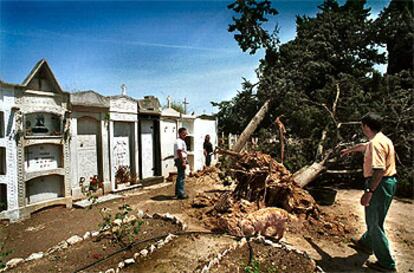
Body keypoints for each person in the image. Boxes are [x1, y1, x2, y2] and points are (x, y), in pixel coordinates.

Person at [341, 112, 397, 273]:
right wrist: (349, 150)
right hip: (388, 183)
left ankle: (387, 264)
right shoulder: (382, 139)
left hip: (380, 184)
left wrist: (369, 191)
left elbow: (379, 170)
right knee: (376, 219)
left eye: (362, 125)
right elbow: (363, 146)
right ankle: (366, 243)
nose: (362, 128)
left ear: (366, 126)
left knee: (374, 223)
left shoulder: (376, 144)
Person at [174, 127, 188, 199]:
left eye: (186, 133)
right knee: (181, 177)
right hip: (180, 160)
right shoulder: (179, 141)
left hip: (180, 159)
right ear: (180, 133)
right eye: (184, 133)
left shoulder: (181, 141)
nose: (185, 135)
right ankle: (181, 194)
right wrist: (183, 161)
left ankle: (177, 193)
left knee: (180, 176)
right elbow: (179, 151)